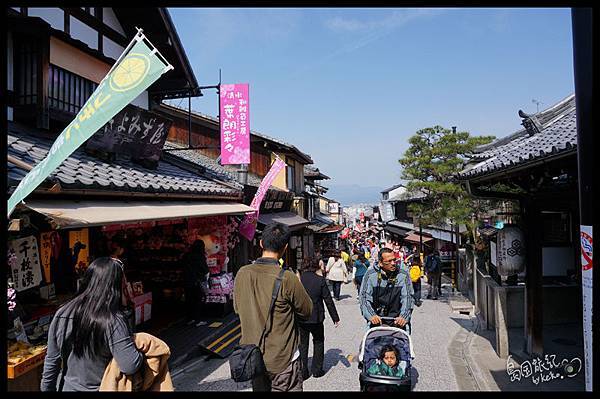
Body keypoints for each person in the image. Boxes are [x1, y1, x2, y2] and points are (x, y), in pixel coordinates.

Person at [41, 257, 143, 391]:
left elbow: (52, 360)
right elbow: (130, 365)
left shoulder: (63, 312)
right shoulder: (113, 319)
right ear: (116, 286)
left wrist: (46, 389)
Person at [233, 223, 312, 392]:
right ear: (284, 248)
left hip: (254, 357)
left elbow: (238, 309)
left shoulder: (242, 273)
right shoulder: (287, 278)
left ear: (261, 243)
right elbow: (307, 311)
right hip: (284, 359)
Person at [298, 257, 340, 380]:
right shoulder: (320, 280)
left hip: (301, 317)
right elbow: (328, 300)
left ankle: (303, 371)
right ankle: (317, 370)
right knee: (318, 341)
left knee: (302, 344)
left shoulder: (299, 280)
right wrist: (335, 317)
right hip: (316, 317)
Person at [359, 248, 413, 332]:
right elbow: (364, 297)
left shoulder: (403, 275)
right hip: (377, 319)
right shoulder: (370, 274)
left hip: (397, 320)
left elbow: (408, 297)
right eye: (389, 261)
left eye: (394, 260)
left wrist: (404, 316)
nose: (393, 263)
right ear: (380, 263)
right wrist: (371, 315)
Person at [182, 239, 210, 326]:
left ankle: (189, 319)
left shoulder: (186, 255)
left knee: (189, 300)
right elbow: (205, 269)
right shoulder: (200, 256)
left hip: (187, 281)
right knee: (197, 301)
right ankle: (198, 320)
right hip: (197, 282)